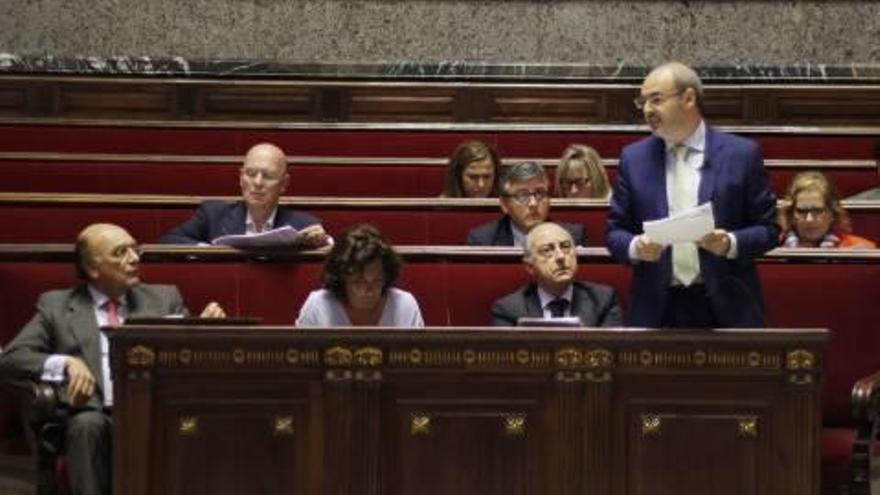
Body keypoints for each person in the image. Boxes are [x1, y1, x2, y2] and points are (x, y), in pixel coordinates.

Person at [0, 223, 226, 495]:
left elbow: (186, 358)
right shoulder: (57, 306)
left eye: (135, 249)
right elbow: (12, 359)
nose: (134, 258)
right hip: (91, 412)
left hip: (151, 410)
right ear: (93, 268)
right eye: (121, 252)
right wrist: (66, 363)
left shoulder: (164, 299)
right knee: (87, 426)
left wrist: (206, 331)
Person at [606, 61, 779, 329]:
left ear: (688, 98)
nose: (648, 110)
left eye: (656, 100)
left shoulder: (741, 155)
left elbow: (769, 230)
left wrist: (730, 242)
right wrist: (636, 248)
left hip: (729, 308)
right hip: (656, 309)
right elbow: (615, 233)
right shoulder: (634, 158)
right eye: (643, 102)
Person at [158, 142, 330, 247]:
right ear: (241, 178)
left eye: (268, 176)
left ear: (284, 184)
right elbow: (169, 240)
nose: (257, 183)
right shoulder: (212, 214)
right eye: (250, 173)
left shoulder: (305, 225)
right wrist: (207, 249)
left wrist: (324, 242)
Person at [492, 222, 622, 327]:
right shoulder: (509, 309)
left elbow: (611, 353)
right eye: (547, 250)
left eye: (565, 247)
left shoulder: (602, 300)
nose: (560, 256)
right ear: (530, 267)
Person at [296, 224, 424, 327]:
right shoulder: (317, 305)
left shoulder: (405, 306)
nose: (367, 291)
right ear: (342, 278)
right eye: (357, 281)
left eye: (377, 281)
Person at [466, 161, 587, 247]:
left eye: (540, 193)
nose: (533, 203)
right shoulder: (483, 241)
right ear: (504, 204)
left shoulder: (572, 236)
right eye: (523, 196)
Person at [779, 171, 876, 248]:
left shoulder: (862, 249)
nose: (809, 219)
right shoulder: (771, 248)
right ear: (790, 215)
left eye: (817, 211)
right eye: (801, 211)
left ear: (832, 214)